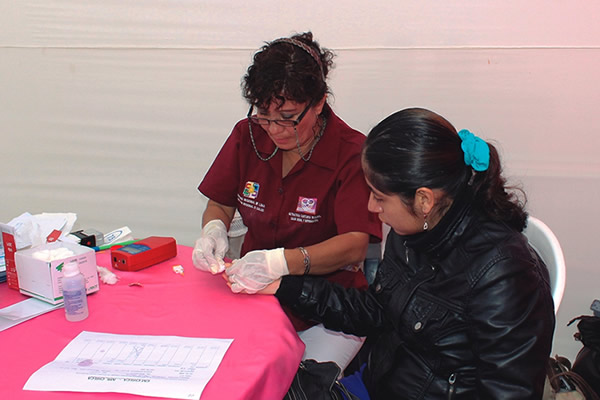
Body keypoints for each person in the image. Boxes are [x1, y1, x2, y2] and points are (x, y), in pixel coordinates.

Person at [234, 108, 556, 399]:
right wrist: (282, 283)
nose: (372, 208)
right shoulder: (415, 232)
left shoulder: (505, 276)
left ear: (423, 200)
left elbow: (509, 393)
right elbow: (377, 312)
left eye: (378, 197)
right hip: (378, 384)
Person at [193, 32, 382, 371]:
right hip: (257, 297)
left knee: (295, 384)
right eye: (264, 115)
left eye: (288, 117)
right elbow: (220, 202)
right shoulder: (246, 135)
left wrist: (280, 262)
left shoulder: (351, 152)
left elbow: (355, 245)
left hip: (326, 310)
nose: (275, 129)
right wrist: (213, 229)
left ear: (320, 103)